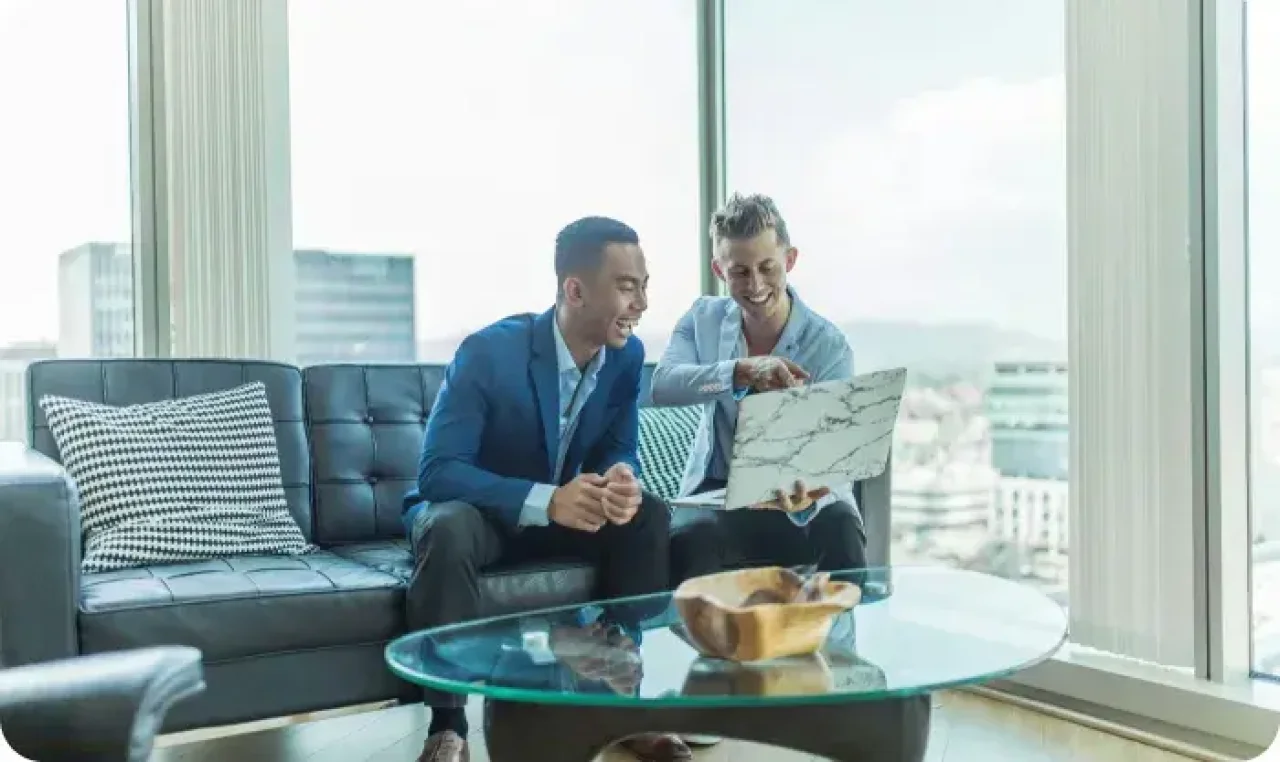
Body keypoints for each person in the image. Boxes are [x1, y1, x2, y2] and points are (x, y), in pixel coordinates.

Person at [401, 217, 690, 762]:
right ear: (574, 290)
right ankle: (449, 727)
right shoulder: (489, 352)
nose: (643, 302)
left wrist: (621, 476)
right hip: (480, 516)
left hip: (559, 517)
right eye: (628, 286)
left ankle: (620, 698)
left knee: (646, 514)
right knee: (448, 526)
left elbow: (617, 445)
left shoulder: (626, 357)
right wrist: (547, 498)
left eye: (644, 285)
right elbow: (437, 473)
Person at [651, 192, 869, 584]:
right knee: (689, 538)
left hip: (800, 497)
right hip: (717, 495)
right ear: (719, 270)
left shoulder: (829, 347)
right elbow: (664, 386)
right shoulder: (702, 320)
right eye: (740, 272)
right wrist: (740, 372)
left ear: (790, 260)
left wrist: (808, 490)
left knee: (840, 527)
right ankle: (707, 644)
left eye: (768, 267)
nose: (755, 285)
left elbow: (838, 457)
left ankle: (837, 644)